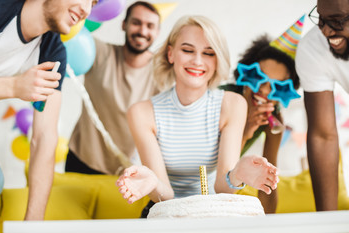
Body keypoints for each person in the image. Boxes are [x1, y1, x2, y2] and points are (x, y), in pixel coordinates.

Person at [116, 15, 279, 217]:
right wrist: (153, 182)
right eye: (187, 50)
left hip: (213, 213)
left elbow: (222, 187)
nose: (197, 61)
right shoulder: (141, 113)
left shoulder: (233, 104)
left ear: (217, 59)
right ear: (170, 54)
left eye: (209, 53)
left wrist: (238, 174)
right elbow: (165, 196)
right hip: (166, 215)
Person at [0, 0, 97, 220]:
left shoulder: (53, 53)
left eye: (93, 3)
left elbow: (44, 136)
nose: (87, 9)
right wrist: (14, 86)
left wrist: (33, 224)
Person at [65, 1, 160, 175]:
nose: (142, 31)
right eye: (136, 22)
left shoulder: (163, 72)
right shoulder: (98, 52)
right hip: (81, 158)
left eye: (150, 26)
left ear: (157, 32)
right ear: (124, 24)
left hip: (125, 170)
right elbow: (67, 32)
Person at [219, 32, 301, 213]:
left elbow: (269, 184)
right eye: (259, 78)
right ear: (246, 73)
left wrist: (267, 229)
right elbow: (213, 173)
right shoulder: (223, 99)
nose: (264, 90)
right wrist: (245, 131)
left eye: (277, 86)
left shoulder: (274, 121)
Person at [296, 0, 349, 211]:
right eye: (321, 18)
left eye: (336, 21)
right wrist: (327, 221)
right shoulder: (314, 47)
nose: (326, 31)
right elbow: (323, 135)